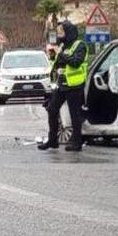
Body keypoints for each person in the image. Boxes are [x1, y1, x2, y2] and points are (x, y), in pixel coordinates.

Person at [38, 20, 88, 152]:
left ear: (69, 32)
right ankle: (52, 140)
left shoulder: (80, 45)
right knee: (52, 110)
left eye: (62, 32)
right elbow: (57, 63)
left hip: (75, 85)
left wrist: (61, 54)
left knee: (74, 115)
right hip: (61, 85)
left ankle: (77, 142)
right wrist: (53, 54)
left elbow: (76, 62)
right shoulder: (62, 45)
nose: (60, 35)